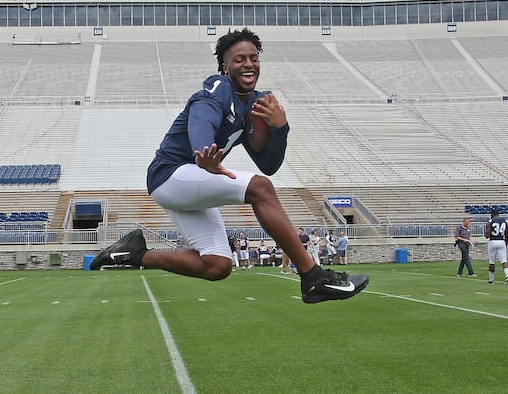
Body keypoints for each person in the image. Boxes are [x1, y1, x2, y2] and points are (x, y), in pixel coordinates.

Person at [90, 28, 368, 304]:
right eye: (239, 59)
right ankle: (313, 276)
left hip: (191, 182)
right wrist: (203, 151)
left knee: (217, 265)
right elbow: (203, 116)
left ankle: (134, 254)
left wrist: (281, 127)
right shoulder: (218, 89)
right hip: (170, 175)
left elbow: (268, 163)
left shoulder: (254, 103)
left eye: (254, 58)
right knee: (260, 188)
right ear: (225, 66)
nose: (249, 64)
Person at [485, 209, 508, 284]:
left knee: (492, 262)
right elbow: (507, 232)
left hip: (493, 241)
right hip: (501, 241)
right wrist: (505, 243)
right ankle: (507, 276)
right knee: (504, 261)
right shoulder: (504, 221)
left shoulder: (490, 221)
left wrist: (486, 235)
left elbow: (488, 233)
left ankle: (491, 280)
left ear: (492, 214)